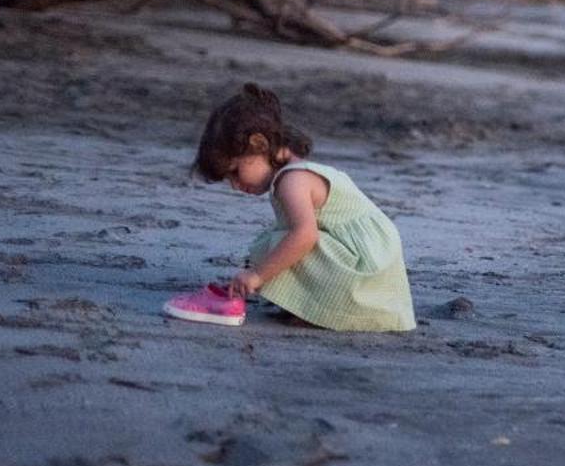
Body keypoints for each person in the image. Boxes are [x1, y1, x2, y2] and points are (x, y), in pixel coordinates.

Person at [168, 83, 416, 332]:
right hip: (366, 262)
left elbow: (305, 236)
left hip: (363, 269)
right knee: (273, 242)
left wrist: (257, 276)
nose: (235, 185)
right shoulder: (291, 174)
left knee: (282, 243)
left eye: (235, 172)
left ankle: (321, 310)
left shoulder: (293, 181)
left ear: (260, 144)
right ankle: (310, 304)